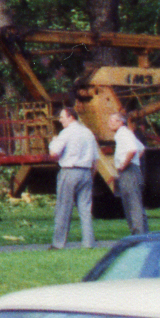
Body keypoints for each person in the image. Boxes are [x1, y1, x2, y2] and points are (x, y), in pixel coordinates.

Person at [48, 105, 100, 250]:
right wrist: (91, 175)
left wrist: (53, 141)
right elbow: (96, 159)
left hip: (69, 171)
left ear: (71, 117)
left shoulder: (66, 133)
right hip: (86, 172)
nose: (60, 120)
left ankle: (58, 243)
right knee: (85, 208)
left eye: (62, 117)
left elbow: (54, 153)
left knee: (63, 207)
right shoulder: (88, 133)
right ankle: (89, 242)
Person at [110, 108, 148, 238]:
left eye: (112, 120)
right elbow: (141, 149)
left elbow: (132, 150)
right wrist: (135, 161)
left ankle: (138, 236)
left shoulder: (123, 134)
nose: (109, 123)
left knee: (132, 204)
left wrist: (123, 165)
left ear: (120, 122)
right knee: (136, 203)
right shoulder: (126, 133)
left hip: (128, 171)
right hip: (133, 170)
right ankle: (144, 234)